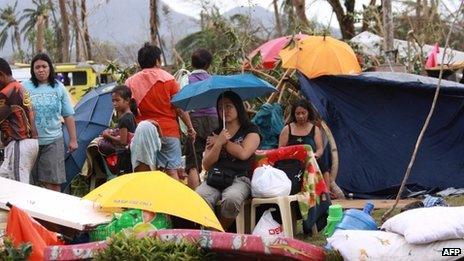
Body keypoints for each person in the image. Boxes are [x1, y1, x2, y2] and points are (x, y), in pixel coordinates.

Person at [125, 43, 196, 180]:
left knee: (146, 173)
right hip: (168, 131)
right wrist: (190, 128)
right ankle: (172, 200)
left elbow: (128, 110)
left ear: (140, 62)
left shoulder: (130, 82)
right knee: (171, 171)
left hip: (143, 133)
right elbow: (180, 108)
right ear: (157, 60)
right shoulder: (169, 79)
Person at [196, 91, 260, 230]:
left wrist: (225, 142)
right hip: (215, 178)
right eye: (220, 108)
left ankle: (217, 232)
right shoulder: (215, 133)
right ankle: (210, 232)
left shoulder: (251, 130)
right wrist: (218, 143)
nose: (224, 111)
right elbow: (207, 165)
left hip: (239, 178)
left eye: (228, 106)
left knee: (231, 199)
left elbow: (244, 154)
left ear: (238, 107)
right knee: (199, 197)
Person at [23, 53, 78, 191]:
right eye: (37, 67)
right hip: (29, 142)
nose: (41, 70)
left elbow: (68, 115)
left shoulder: (59, 87)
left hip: (53, 141)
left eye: (44, 66)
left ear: (50, 68)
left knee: (53, 183)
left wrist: (73, 140)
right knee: (29, 184)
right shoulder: (24, 87)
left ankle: (53, 210)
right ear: (32, 70)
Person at [0, 58, 39, 184]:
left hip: (19, 143)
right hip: (30, 142)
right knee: (4, 179)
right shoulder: (19, 87)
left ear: (1, 75)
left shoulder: (6, 93)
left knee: (19, 186)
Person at [184, 49, 218, 189]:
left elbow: (183, 103)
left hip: (195, 120)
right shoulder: (213, 80)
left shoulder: (187, 79)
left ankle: (197, 196)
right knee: (214, 155)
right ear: (208, 64)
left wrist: (187, 127)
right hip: (214, 119)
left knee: (193, 160)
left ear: (192, 64)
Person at [278, 98, 330, 186]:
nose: (301, 116)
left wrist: (314, 155)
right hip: (292, 162)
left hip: (310, 160)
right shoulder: (287, 129)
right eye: (298, 113)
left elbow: (320, 149)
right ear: (294, 114)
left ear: (308, 113)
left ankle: (326, 192)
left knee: (323, 165)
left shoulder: (315, 129)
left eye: (303, 113)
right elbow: (280, 149)